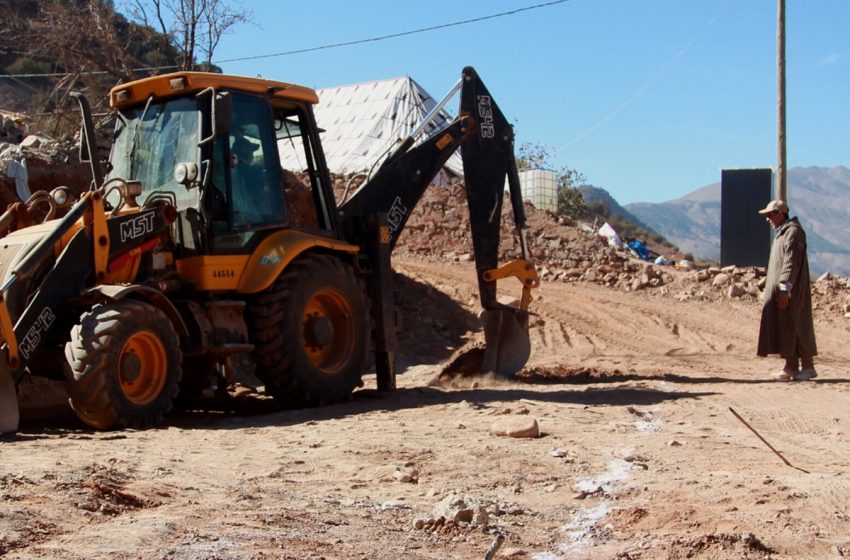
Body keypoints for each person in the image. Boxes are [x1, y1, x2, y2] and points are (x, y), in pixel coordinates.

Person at [756, 199, 818, 381]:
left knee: (797, 325)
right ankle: (790, 366)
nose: (767, 219)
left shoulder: (793, 233)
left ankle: (808, 366)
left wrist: (785, 288)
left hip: (792, 291)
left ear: (780, 214)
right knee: (785, 327)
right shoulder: (781, 233)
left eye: (770, 215)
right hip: (782, 290)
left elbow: (791, 262)